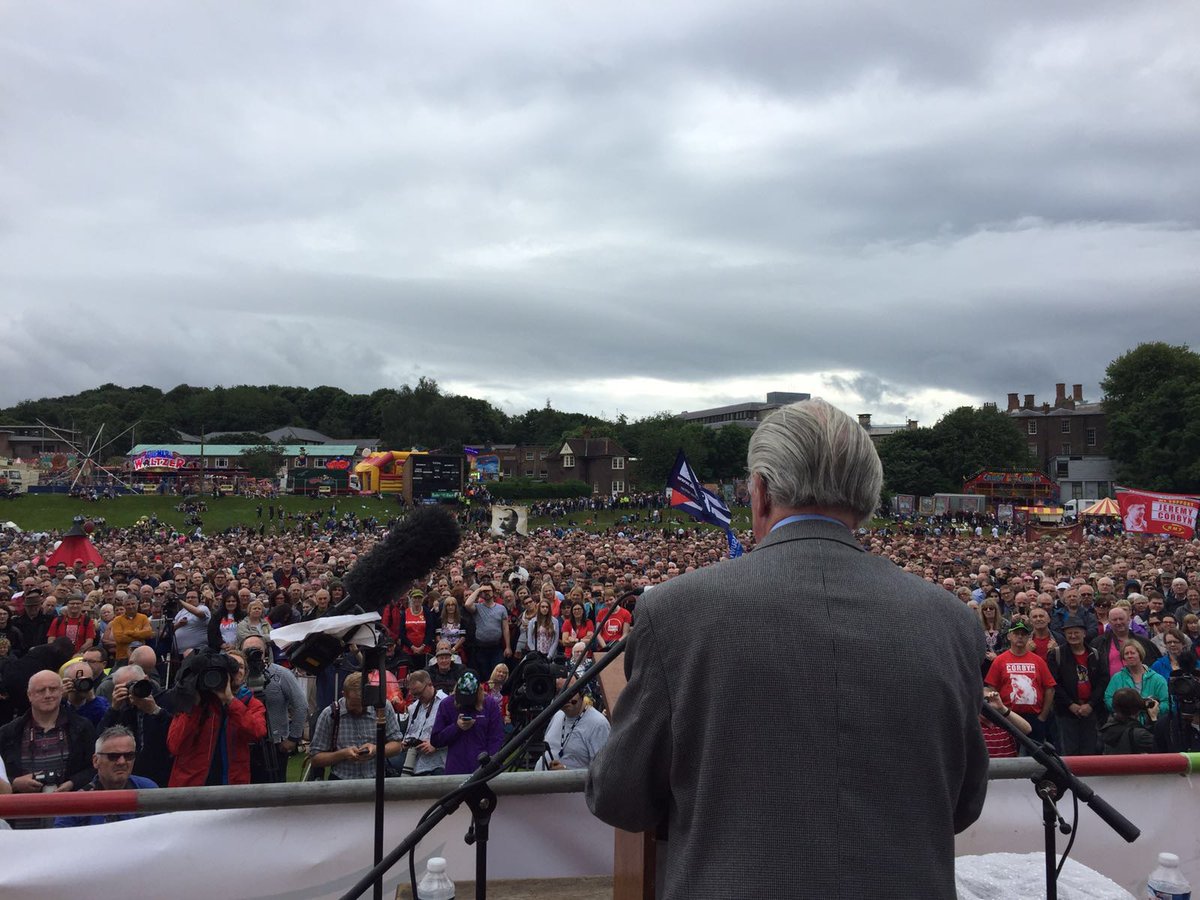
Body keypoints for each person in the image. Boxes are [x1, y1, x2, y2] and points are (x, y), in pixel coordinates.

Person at [586, 398, 988, 900]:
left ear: (760, 492)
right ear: (866, 497)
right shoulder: (951, 621)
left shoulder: (674, 612)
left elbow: (622, 798)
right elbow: (964, 802)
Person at [0, 670, 96, 828]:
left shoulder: (82, 727)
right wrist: (15, 783)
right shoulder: (7, 733)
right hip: (20, 823)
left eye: (53, 689)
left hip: (69, 821)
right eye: (41, 690)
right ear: (29, 695)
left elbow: (95, 767)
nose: (48, 695)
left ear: (61, 692)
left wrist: (72, 783)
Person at [167, 652, 267, 786]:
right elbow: (175, 746)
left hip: (231, 787)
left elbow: (257, 732)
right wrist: (195, 706)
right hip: (192, 787)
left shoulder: (251, 703)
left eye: (240, 667)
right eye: (230, 668)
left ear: (245, 675)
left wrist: (230, 700)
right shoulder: (197, 701)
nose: (235, 671)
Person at [53, 725, 158, 827]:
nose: (122, 762)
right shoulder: (76, 802)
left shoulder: (148, 789)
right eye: (113, 756)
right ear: (96, 761)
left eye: (129, 756)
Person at [308, 672, 405, 781]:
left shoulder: (382, 707)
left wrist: (375, 750)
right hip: (341, 783)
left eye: (363, 705)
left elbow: (397, 745)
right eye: (354, 705)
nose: (359, 709)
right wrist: (343, 754)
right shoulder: (330, 714)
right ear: (344, 694)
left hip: (377, 781)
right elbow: (315, 759)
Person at [239, 635, 307, 783]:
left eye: (257, 650)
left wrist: (293, 738)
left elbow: (301, 705)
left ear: (266, 652)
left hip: (276, 744)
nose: (252, 654)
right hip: (243, 744)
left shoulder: (281, 674)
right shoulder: (237, 675)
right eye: (247, 651)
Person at [984, 617, 1057, 748]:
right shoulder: (999, 661)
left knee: (1036, 757)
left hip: (1035, 717)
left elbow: (1050, 688)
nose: (1020, 637)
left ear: (1029, 638)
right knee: (1009, 753)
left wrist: (1043, 716)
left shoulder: (1038, 661)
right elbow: (991, 688)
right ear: (1009, 636)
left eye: (1023, 634)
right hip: (1008, 716)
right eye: (1016, 633)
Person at [99, 664, 174, 788]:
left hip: (165, 775)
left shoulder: (168, 700)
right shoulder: (124, 710)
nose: (132, 690)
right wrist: (114, 709)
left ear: (146, 679)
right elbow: (101, 739)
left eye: (134, 684)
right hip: (134, 778)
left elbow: (177, 735)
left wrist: (156, 711)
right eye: (125, 688)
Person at [1047, 615, 1104, 756]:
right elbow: (1054, 683)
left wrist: (1090, 704)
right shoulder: (1057, 654)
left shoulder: (1095, 654)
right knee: (1069, 751)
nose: (1073, 636)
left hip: (1090, 710)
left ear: (1084, 633)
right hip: (1066, 712)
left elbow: (1103, 681)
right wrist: (1070, 705)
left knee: (1090, 750)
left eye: (1076, 632)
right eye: (1069, 633)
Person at [431, 671, 504, 776]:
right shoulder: (447, 704)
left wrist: (489, 763)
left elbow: (496, 737)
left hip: (483, 769)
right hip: (456, 769)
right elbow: (436, 740)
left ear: (478, 692)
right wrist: (456, 727)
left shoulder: (490, 704)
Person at [535, 679, 610, 770]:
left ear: (581, 692)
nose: (564, 697)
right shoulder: (558, 715)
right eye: (559, 692)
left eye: (569, 691)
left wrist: (567, 773)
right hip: (540, 782)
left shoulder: (598, 724)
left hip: (570, 784)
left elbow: (603, 770)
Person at [1103, 641, 1170, 721]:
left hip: (1150, 724)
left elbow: (1166, 702)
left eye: (1133, 653)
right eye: (1126, 654)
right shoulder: (1117, 678)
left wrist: (1152, 708)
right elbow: (1108, 698)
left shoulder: (1157, 679)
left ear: (1140, 654)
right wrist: (1125, 710)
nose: (1130, 656)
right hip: (1124, 724)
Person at [399, 670, 447, 776]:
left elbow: (456, 731)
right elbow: (409, 732)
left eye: (419, 693)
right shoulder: (413, 708)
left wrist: (435, 744)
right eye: (414, 694)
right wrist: (405, 743)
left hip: (439, 765)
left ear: (430, 684)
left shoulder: (446, 703)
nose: (418, 697)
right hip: (415, 766)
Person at [464, 583, 511, 680]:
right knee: (484, 675)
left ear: (493, 593)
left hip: (496, 648)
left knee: (498, 674)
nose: (486, 593)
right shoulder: (477, 607)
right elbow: (467, 604)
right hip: (481, 648)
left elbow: (505, 628)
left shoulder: (501, 608)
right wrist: (478, 590)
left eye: (488, 591)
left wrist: (508, 647)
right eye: (484, 592)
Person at [1100, 687, 1158, 755]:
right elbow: (1160, 747)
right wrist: (1153, 719)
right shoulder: (1139, 735)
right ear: (1137, 709)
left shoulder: (1107, 729)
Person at [980, 685, 1032, 758]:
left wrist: (1002, 708)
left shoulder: (1004, 724)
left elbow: (1027, 729)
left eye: (987, 700)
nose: (985, 705)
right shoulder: (972, 726)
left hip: (1009, 767)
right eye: (979, 700)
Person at [110, 594, 153, 665]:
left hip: (141, 656)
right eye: (128, 604)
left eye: (133, 604)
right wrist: (139, 635)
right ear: (124, 606)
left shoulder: (143, 618)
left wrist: (129, 633)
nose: (131, 606)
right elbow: (119, 639)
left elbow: (148, 633)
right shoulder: (117, 620)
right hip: (123, 657)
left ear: (137, 604)